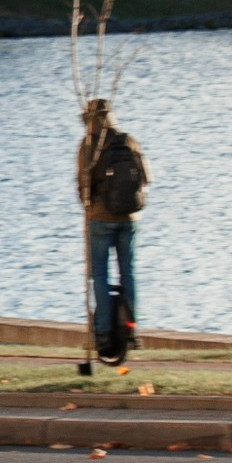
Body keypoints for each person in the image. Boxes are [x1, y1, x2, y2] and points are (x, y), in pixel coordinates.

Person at [77, 98, 148, 354]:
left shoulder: (88, 146)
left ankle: (105, 333)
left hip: (100, 219)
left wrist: (89, 205)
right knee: (127, 272)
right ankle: (131, 330)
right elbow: (146, 179)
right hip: (129, 219)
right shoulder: (129, 142)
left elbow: (83, 187)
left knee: (100, 276)